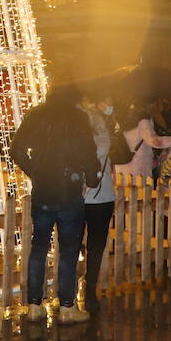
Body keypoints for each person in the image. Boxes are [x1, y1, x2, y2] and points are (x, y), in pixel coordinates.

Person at [11, 84, 100, 325]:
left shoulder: (36, 114)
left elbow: (17, 150)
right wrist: (92, 178)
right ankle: (68, 307)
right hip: (69, 190)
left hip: (43, 190)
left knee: (38, 247)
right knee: (69, 250)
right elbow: (88, 153)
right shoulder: (77, 118)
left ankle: (34, 305)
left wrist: (36, 172)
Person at [78, 92, 131, 315]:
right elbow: (100, 152)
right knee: (93, 244)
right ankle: (88, 290)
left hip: (91, 192)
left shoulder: (101, 122)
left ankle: (85, 289)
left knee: (85, 243)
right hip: (93, 192)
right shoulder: (92, 122)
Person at [116, 101, 171, 179]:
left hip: (123, 166)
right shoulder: (143, 120)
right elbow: (155, 141)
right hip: (138, 168)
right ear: (148, 104)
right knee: (139, 190)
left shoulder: (124, 116)